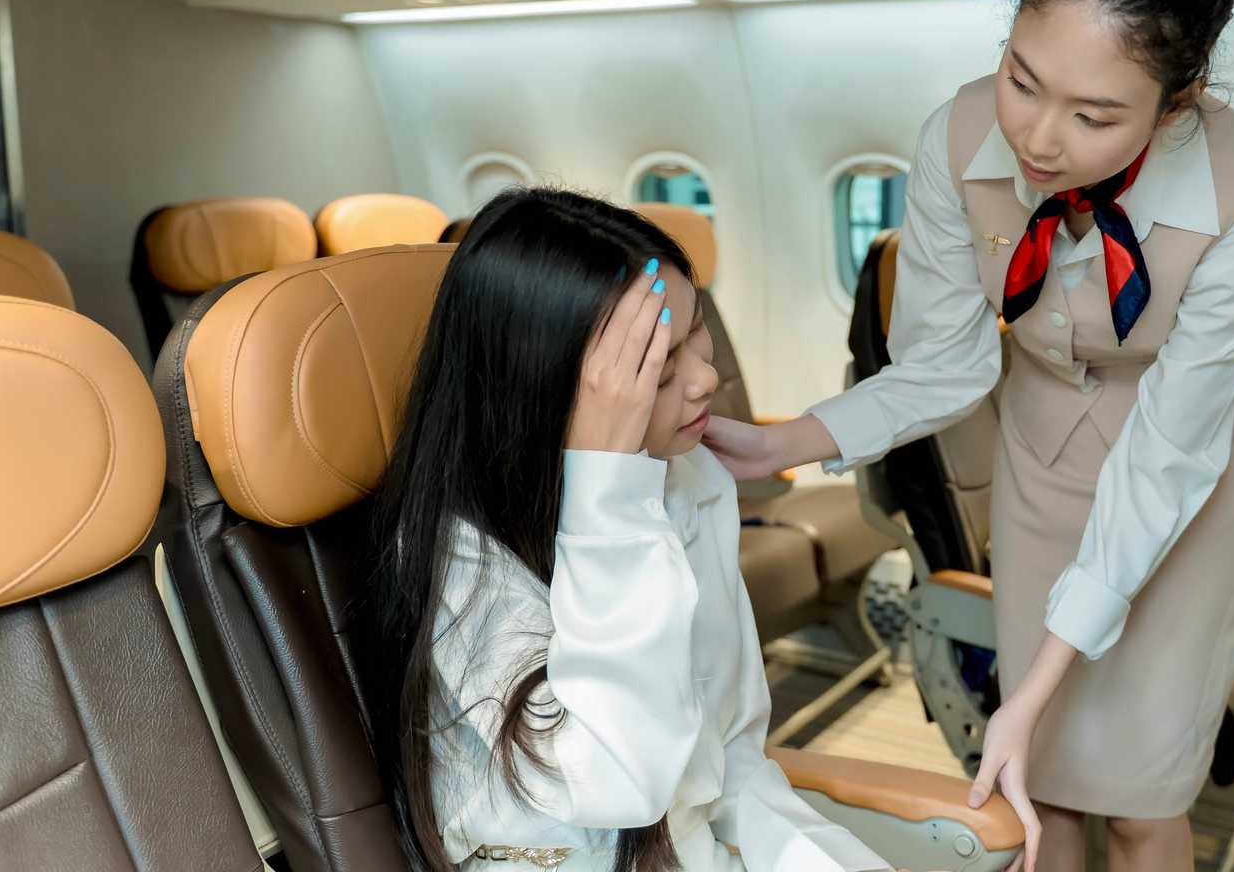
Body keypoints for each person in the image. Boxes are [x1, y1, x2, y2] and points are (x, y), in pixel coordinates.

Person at [702, 0, 1234, 869]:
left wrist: (1035, 685)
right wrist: (787, 438)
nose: (1040, 139)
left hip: (1183, 487)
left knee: (1143, 794)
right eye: (1023, 79)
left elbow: (1168, 455)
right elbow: (943, 362)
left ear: (1179, 101)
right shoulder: (955, 142)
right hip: (1042, 461)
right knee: (1036, 780)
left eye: (1094, 116)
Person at [351, 188, 890, 872]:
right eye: (656, 374)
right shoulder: (460, 566)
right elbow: (621, 784)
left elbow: (731, 764)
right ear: (544, 397)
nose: (705, 378)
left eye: (697, 334)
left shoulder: (688, 477)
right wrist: (607, 494)